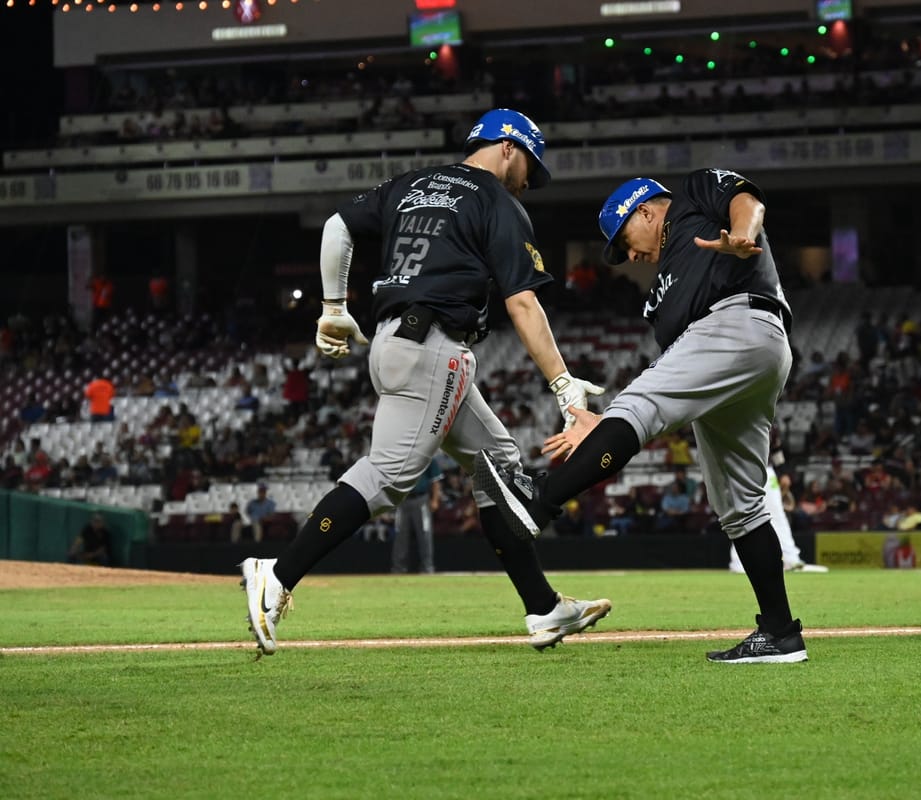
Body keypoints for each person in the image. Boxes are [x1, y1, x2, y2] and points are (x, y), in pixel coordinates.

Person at [239, 108, 611, 656]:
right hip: (433, 348)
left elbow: (337, 227)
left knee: (498, 465)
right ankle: (277, 573)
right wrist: (562, 385)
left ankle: (543, 609)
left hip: (399, 341)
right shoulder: (496, 200)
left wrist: (333, 306)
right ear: (508, 147)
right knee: (389, 476)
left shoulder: (410, 184)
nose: (530, 180)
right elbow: (523, 301)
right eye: (531, 164)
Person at [477, 169, 809, 664]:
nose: (629, 256)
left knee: (637, 407)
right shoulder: (661, 292)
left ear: (646, 210)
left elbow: (746, 200)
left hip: (740, 322)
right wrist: (604, 424)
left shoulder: (693, 197)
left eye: (624, 240)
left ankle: (541, 500)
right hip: (743, 355)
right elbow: (673, 379)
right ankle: (781, 634)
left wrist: (744, 233)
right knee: (740, 506)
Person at [730, 465, 829, 574]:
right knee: (744, 514)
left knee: (777, 515)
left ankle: (790, 559)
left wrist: (783, 471)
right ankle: (739, 563)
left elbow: (776, 448)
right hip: (741, 468)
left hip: (765, 469)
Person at [391, 460, 442, 574]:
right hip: (402, 499)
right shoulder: (401, 456)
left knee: (425, 533)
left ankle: (427, 567)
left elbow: (435, 480)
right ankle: (398, 569)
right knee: (400, 535)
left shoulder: (428, 454)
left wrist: (435, 499)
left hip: (421, 499)